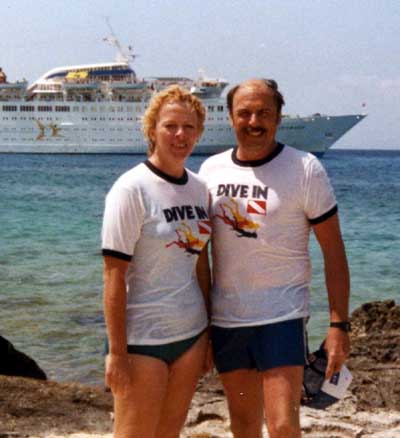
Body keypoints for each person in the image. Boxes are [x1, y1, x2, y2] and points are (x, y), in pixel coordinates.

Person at [198, 78, 350, 438]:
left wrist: (338, 326)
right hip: (227, 321)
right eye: (244, 113)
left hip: (283, 316)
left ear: (279, 117)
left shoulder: (305, 168)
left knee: (283, 425)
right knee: (244, 425)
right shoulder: (210, 171)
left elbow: (333, 251)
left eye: (263, 113)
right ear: (230, 118)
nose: (254, 121)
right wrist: (201, 324)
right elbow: (199, 257)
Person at [102, 85, 211, 438]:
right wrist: (116, 353)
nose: (181, 135)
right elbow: (113, 276)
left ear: (199, 132)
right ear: (152, 130)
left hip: (191, 334)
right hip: (141, 339)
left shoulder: (200, 189)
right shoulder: (131, 189)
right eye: (170, 126)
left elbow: (200, 264)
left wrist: (209, 332)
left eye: (189, 127)